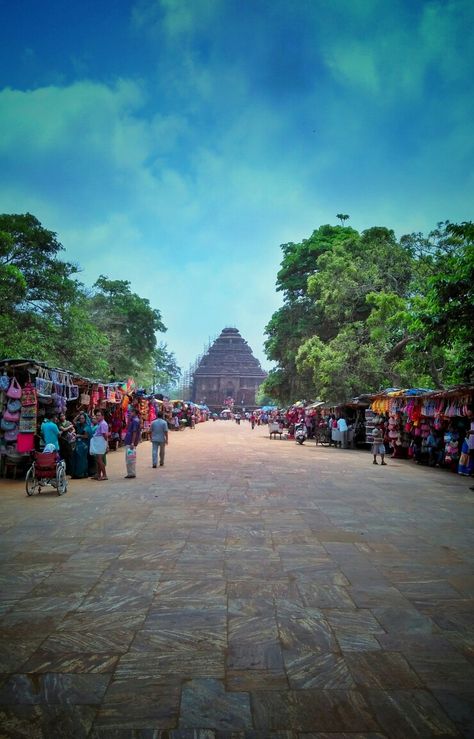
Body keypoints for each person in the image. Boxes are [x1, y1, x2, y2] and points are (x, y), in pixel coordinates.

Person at [72, 412, 92, 479]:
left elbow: (86, 436)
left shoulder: (86, 426)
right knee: (77, 458)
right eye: (80, 418)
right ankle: (77, 473)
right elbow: (74, 421)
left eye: (83, 418)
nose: (81, 419)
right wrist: (78, 415)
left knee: (82, 459)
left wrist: (79, 435)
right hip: (79, 444)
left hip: (84, 445)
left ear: (85, 419)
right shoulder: (79, 424)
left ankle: (82, 473)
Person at [90, 410, 109, 481]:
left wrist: (106, 445)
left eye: (99, 415)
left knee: (99, 460)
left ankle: (104, 475)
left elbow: (105, 435)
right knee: (98, 460)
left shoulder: (103, 424)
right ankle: (98, 474)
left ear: (102, 416)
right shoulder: (100, 423)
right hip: (98, 443)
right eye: (97, 415)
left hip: (100, 443)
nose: (97, 417)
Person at [124, 407, 141, 479]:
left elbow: (134, 432)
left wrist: (132, 442)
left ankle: (131, 473)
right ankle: (131, 472)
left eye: (131, 412)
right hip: (130, 441)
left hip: (130, 442)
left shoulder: (135, 421)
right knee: (131, 458)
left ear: (134, 412)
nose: (130, 413)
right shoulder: (135, 420)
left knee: (130, 458)